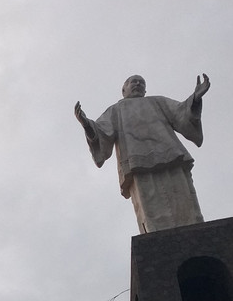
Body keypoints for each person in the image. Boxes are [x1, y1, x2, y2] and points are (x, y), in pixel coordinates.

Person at [75, 74, 210, 233]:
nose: (138, 84)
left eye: (142, 82)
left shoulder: (157, 101)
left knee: (183, 199)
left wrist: (195, 98)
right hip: (138, 164)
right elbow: (101, 132)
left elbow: (181, 113)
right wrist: (86, 124)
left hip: (172, 157)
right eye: (134, 81)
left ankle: (193, 231)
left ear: (145, 90)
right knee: (150, 206)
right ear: (123, 90)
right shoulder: (116, 110)